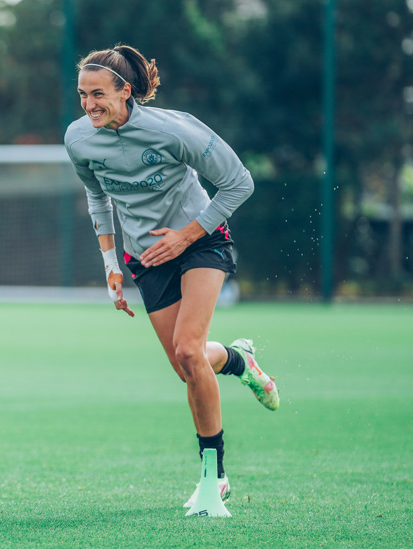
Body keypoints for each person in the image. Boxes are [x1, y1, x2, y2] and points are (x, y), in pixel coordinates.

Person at [64, 45, 279, 507]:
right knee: (189, 365)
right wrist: (110, 264)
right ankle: (239, 360)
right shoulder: (78, 139)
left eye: (98, 94)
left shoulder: (172, 129)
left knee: (187, 349)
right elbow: (97, 199)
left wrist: (185, 236)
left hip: (201, 241)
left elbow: (239, 181)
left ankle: (213, 477)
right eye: (82, 95)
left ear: (126, 91)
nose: (89, 105)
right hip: (147, 258)